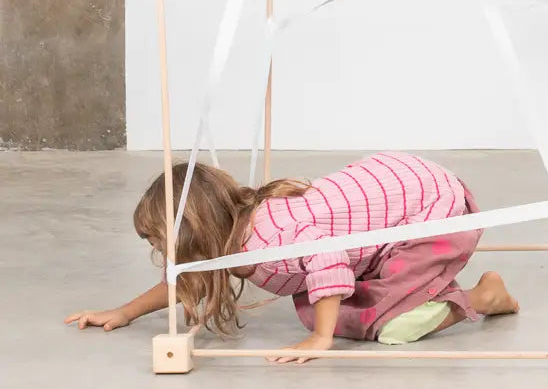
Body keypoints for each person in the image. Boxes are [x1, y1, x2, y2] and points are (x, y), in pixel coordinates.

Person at [65, 153, 518, 363]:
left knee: (387, 326)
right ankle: (405, 290)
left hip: (432, 210)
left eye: (160, 243)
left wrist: (321, 340)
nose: (160, 254)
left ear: (195, 236)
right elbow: (184, 278)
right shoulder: (230, 237)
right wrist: (125, 312)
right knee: (316, 307)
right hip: (396, 191)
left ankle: (484, 297)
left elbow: (327, 258)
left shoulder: (270, 244)